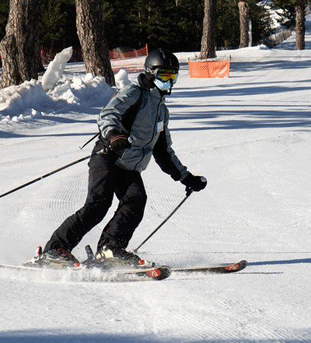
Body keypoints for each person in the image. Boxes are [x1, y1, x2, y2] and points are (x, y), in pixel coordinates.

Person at [33, 49, 207, 268]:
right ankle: (55, 249)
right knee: (98, 204)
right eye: (164, 75)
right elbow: (108, 114)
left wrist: (186, 178)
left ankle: (110, 249)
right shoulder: (134, 93)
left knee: (135, 201)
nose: (169, 81)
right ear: (150, 73)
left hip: (129, 167)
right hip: (108, 156)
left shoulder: (161, 111)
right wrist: (114, 135)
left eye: (173, 76)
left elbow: (163, 152)